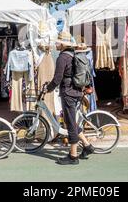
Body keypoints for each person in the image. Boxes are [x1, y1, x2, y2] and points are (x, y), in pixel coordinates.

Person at [45, 32, 94, 165]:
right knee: (71, 120)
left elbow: (57, 78)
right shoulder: (74, 54)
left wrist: (47, 89)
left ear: (62, 44)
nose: (56, 44)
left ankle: (73, 156)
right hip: (77, 91)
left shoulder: (62, 57)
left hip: (68, 92)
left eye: (57, 42)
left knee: (70, 123)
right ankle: (87, 145)